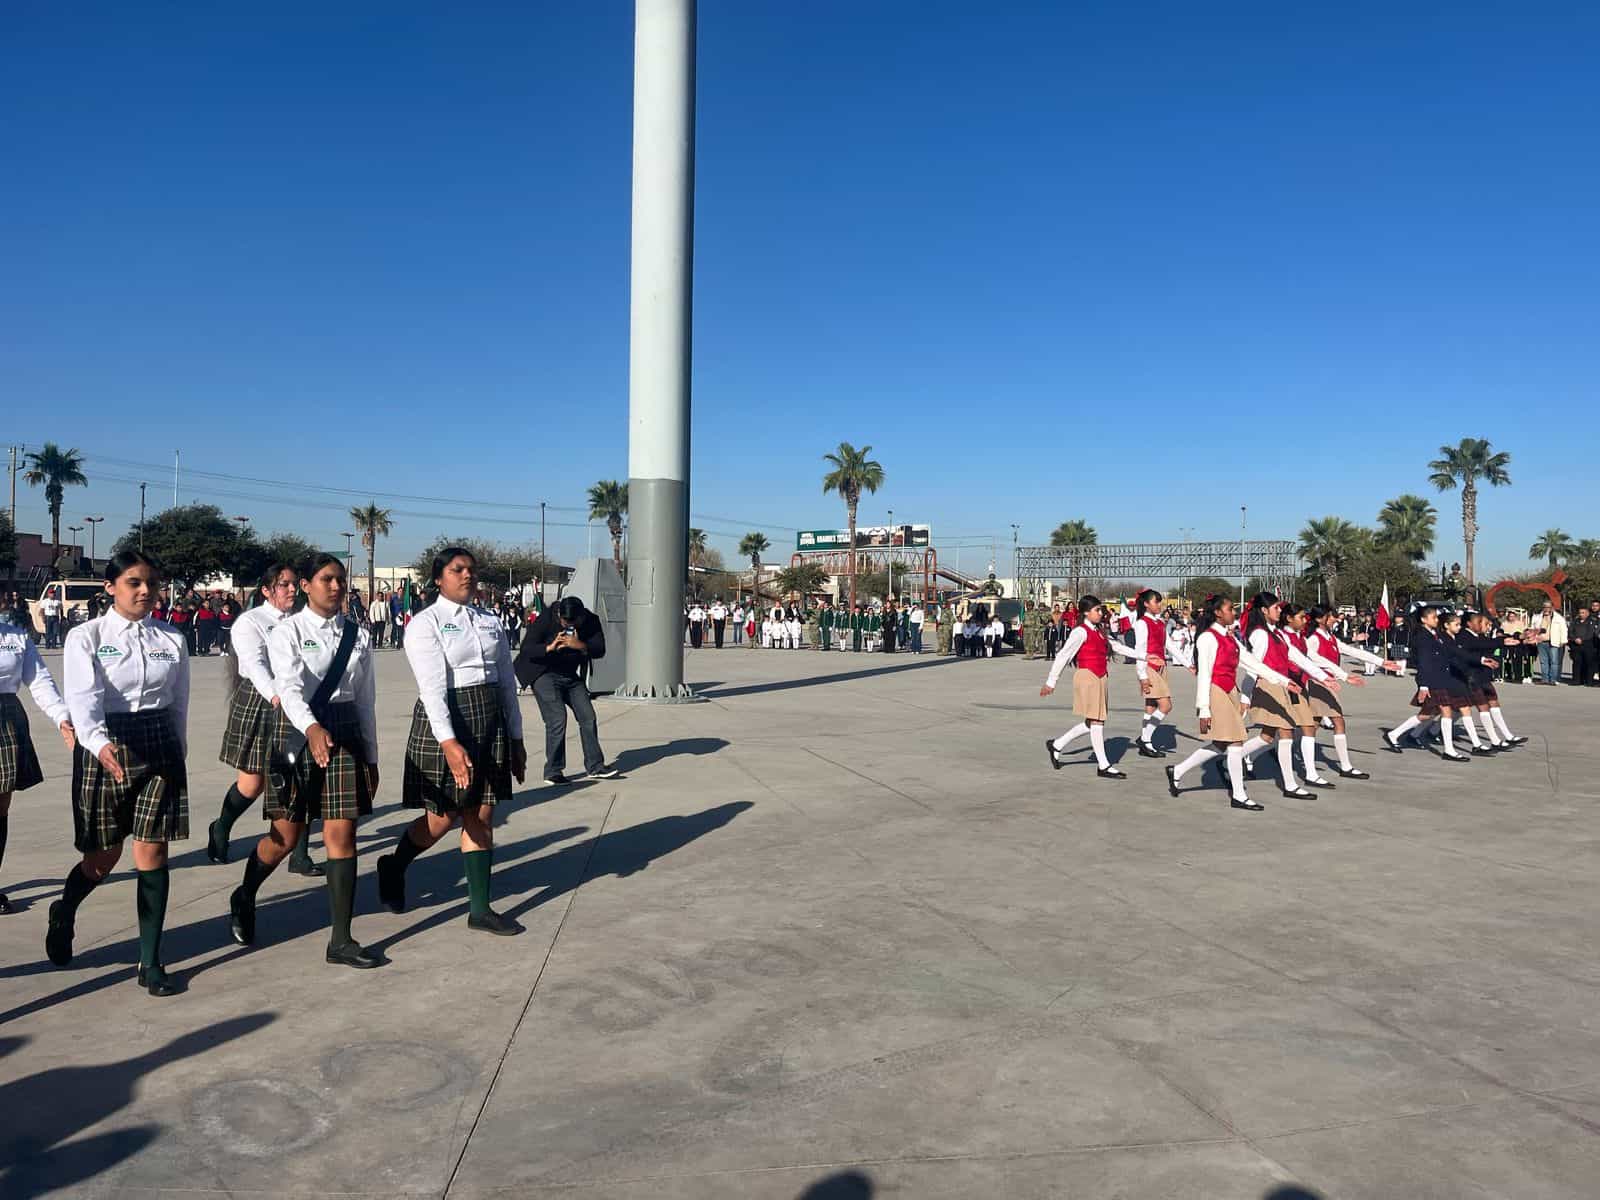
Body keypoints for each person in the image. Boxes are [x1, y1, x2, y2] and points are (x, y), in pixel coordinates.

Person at [225, 554, 381, 968]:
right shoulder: (287, 632)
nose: (336, 586)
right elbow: (288, 690)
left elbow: (366, 699)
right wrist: (311, 728)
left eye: (341, 579)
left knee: (341, 836)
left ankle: (341, 940)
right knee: (285, 838)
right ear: (308, 586)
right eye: (326, 579)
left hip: (346, 736)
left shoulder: (358, 635)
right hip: (298, 732)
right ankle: (245, 893)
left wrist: (372, 754)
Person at [48, 551, 190, 995]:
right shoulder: (86, 637)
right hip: (106, 743)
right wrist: (98, 742)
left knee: (152, 853)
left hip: (159, 743)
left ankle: (150, 960)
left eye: (151, 582)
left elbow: (179, 700)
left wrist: (178, 748)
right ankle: (65, 910)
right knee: (102, 858)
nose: (145, 591)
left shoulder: (172, 638)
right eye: (134, 582)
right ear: (111, 587)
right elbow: (83, 697)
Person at [376, 547, 527, 934]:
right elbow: (431, 690)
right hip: (447, 717)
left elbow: (506, 682)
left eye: (471, 570)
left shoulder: (490, 621)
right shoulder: (425, 624)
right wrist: (448, 743)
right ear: (438, 578)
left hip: (488, 716)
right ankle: (394, 865)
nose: (467, 576)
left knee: (482, 812)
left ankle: (480, 909)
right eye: (457, 569)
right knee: (442, 818)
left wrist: (516, 736)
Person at [208, 561, 321, 877]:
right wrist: (277, 696)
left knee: (304, 778)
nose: (290, 590)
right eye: (283, 584)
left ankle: (299, 855)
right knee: (252, 783)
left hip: (297, 703)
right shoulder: (251, 622)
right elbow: (254, 665)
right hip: (262, 702)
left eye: (293, 584)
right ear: (267, 590)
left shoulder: (302, 620)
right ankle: (221, 828)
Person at [1164, 595, 1298, 811]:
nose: (1234, 612)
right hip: (1216, 692)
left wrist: (1283, 680)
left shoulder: (1229, 636)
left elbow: (1252, 662)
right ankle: (1239, 795)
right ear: (1218, 612)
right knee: (1235, 742)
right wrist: (1204, 709)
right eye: (1230, 609)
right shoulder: (1207, 638)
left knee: (1221, 743)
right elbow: (1204, 675)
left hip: (1230, 691)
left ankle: (1177, 771)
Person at [0, 610, 75, 912]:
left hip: (6, 719)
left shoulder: (15, 637)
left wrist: (62, 717)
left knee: (0, 805)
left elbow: (40, 681)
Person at [514, 595, 620, 785]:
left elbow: (600, 648)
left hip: (570, 675)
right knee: (557, 718)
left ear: (581, 617)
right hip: (544, 673)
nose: (567, 625)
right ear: (559, 615)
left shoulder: (590, 620)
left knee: (588, 716)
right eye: (564, 621)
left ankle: (595, 766)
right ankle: (553, 771)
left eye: (572, 623)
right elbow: (526, 648)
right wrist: (549, 647)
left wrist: (580, 645)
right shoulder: (547, 617)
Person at [1040, 595, 1141, 778]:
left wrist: (1144, 656)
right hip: (1088, 676)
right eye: (1097, 610)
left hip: (1101, 677)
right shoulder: (1080, 632)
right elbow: (1064, 656)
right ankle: (1103, 765)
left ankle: (1057, 745)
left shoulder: (1100, 630)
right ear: (1086, 612)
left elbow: (1117, 647)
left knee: (1092, 721)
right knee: (1097, 721)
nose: (1101, 613)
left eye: (1101, 609)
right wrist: (1051, 681)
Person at [1304, 604, 1395, 779]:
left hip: (1328, 683)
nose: (1335, 619)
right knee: (1337, 722)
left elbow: (1351, 651)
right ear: (1320, 619)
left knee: (1312, 725)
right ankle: (1342, 767)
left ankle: (1279, 748)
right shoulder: (1313, 638)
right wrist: (1343, 676)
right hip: (1318, 683)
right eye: (1332, 616)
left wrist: (1380, 662)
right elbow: (1313, 660)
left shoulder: (1329, 637)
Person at [1381, 606, 1483, 762]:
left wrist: (1480, 660)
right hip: (1432, 681)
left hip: (1441, 679)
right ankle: (1449, 750)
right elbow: (1423, 662)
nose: (1437, 620)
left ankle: (1394, 734)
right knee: (1445, 712)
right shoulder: (1422, 637)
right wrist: (1423, 685)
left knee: (1427, 714)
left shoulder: (1436, 634)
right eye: (1433, 617)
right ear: (1423, 620)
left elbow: (1453, 651)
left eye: (1437, 617)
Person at [1129, 589, 1177, 758]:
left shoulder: (1160, 623)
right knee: (1166, 705)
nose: (1159, 605)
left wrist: (1188, 663)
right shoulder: (1142, 623)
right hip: (1149, 667)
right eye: (1156, 602)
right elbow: (1139, 650)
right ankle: (1145, 739)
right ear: (1146, 604)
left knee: (1151, 705)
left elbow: (1169, 646)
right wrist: (1142, 676)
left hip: (1161, 666)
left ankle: (1145, 743)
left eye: (1159, 601)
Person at [1531, 602, 1567, 685]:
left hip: (1553, 641)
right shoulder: (1537, 617)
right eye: (1545, 607)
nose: (1546, 609)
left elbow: (1563, 629)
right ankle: (1545, 679)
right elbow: (1533, 628)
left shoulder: (1558, 618)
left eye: (1548, 607)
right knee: (1543, 662)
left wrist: (1563, 641)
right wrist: (1532, 639)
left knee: (1554, 662)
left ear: (1552, 608)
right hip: (1541, 641)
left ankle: (1553, 680)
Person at [1569, 606, 1597, 686]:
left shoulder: (1592, 621)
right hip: (1576, 645)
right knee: (1577, 663)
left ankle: (1589, 681)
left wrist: (1582, 639)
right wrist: (1575, 639)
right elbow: (1570, 631)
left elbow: (1591, 633)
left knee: (1589, 663)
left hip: (1588, 645)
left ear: (1587, 613)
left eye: (1583, 613)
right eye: (1580, 613)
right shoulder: (1575, 621)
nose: (1581, 614)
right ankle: (1577, 680)